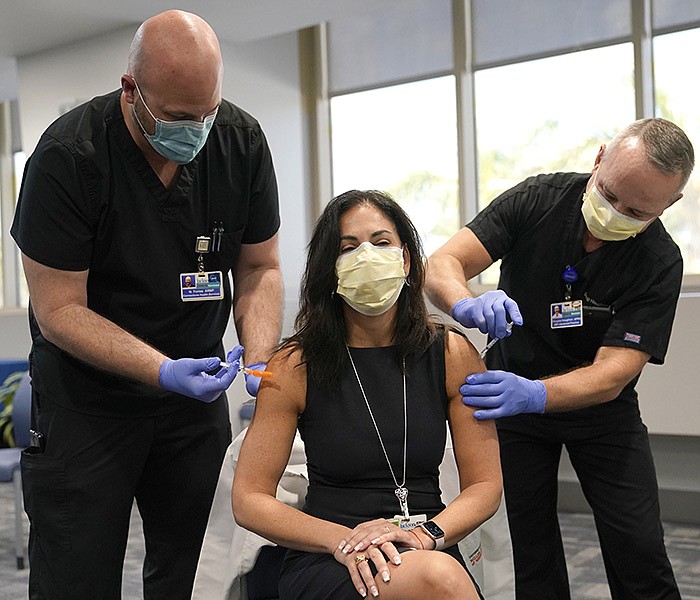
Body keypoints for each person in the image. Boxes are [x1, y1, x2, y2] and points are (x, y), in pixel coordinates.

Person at [10, 10, 282, 599]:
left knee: (197, 572)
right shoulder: (67, 158)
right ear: (131, 90)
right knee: (75, 576)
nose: (198, 131)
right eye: (181, 118)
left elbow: (260, 267)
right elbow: (59, 312)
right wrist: (161, 370)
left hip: (193, 401)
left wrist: (261, 358)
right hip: (87, 403)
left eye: (208, 113)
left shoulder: (239, 141)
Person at [425, 117, 693, 600]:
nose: (613, 212)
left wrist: (538, 394)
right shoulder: (537, 201)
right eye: (608, 194)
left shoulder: (659, 262)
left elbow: (613, 373)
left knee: (639, 548)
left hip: (600, 414)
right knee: (529, 550)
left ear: (668, 206)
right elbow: (443, 263)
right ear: (598, 159)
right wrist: (463, 302)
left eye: (635, 210)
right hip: (509, 406)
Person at [231, 190, 502, 600]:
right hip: (330, 554)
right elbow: (249, 498)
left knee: (439, 576)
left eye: (381, 243)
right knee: (440, 581)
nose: (367, 256)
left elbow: (485, 485)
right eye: (348, 248)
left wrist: (426, 535)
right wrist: (345, 542)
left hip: (426, 541)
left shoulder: (450, 353)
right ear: (330, 268)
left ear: (406, 259)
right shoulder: (293, 365)